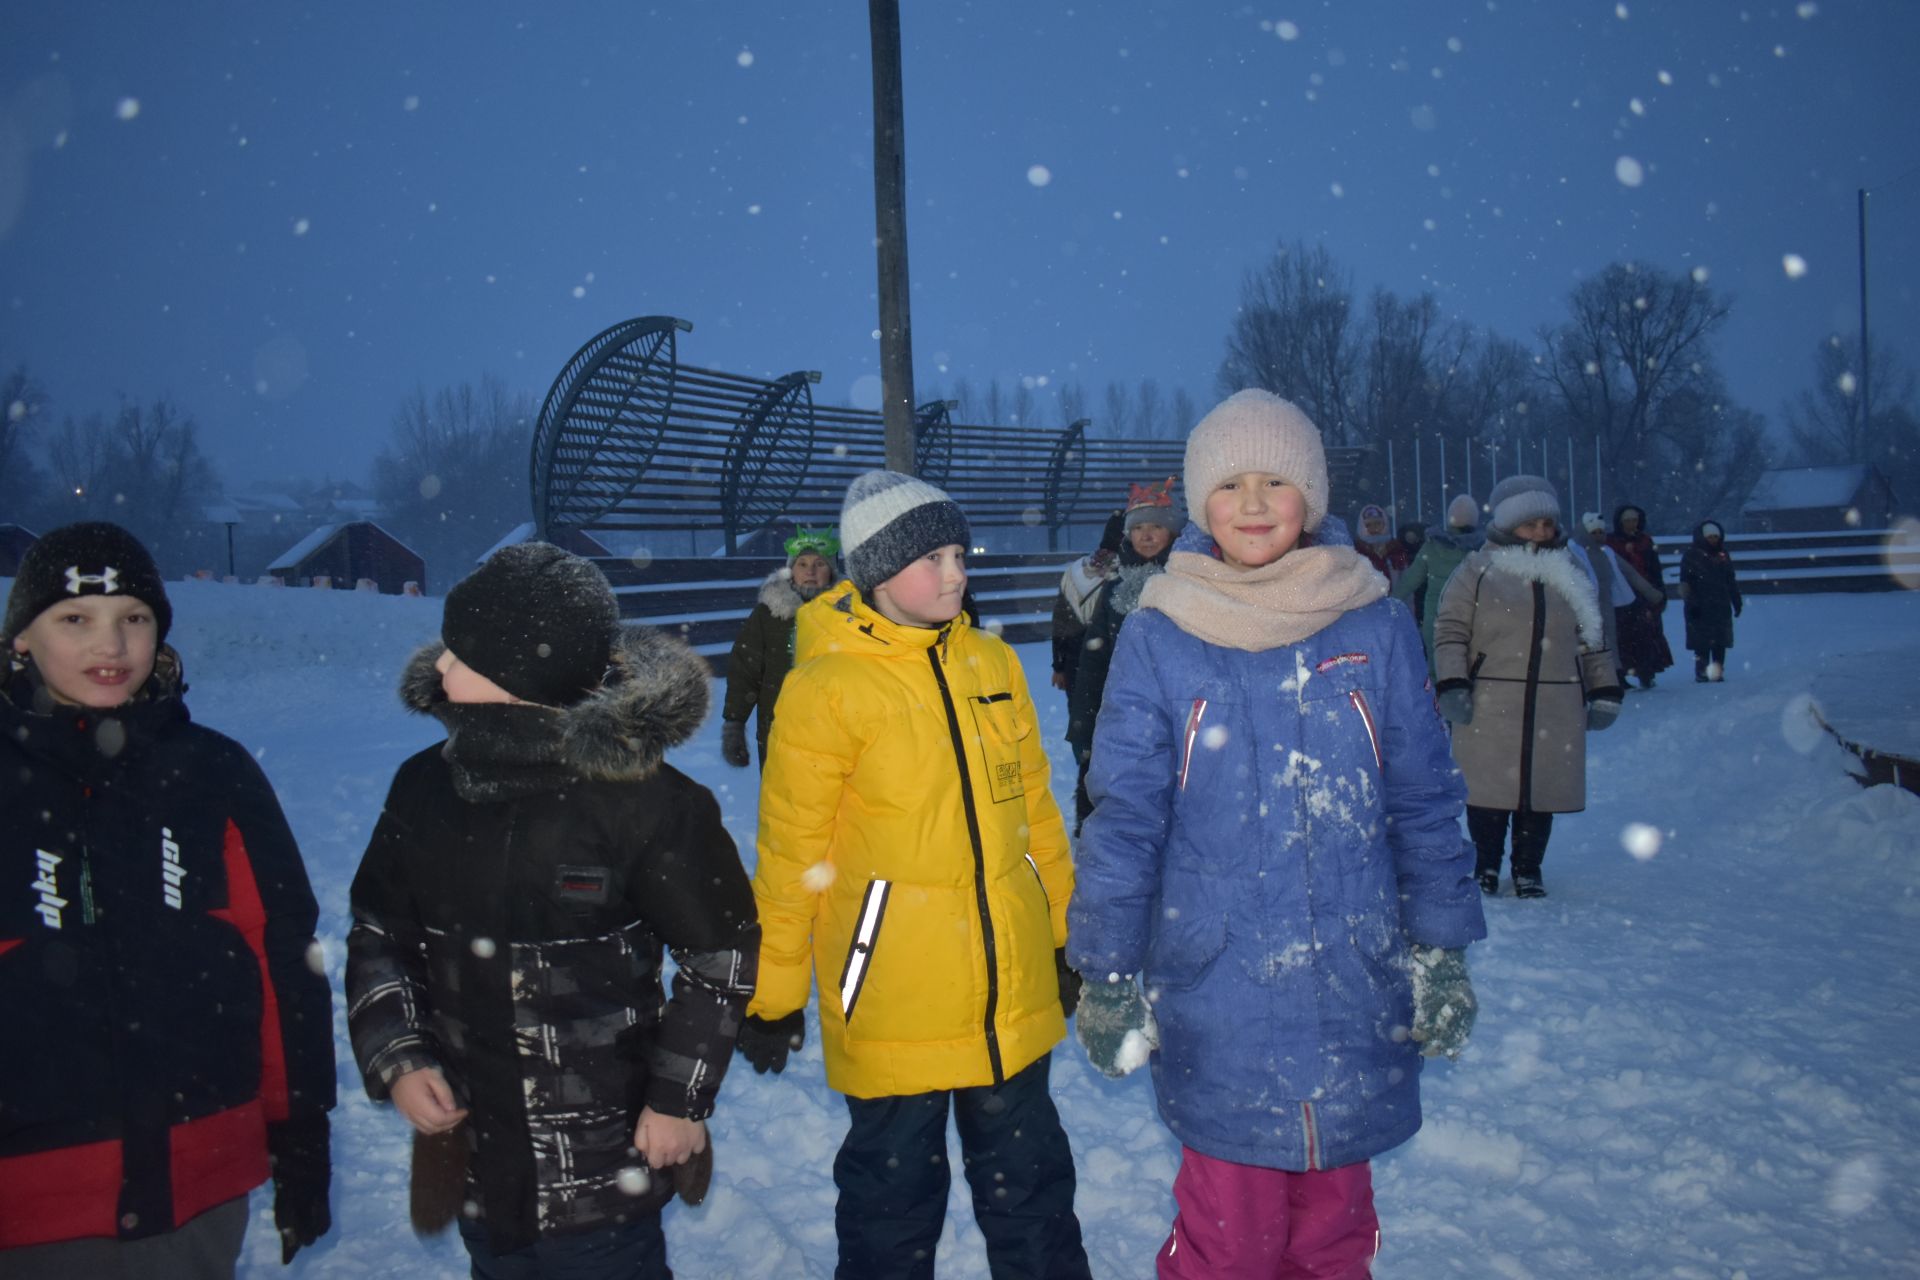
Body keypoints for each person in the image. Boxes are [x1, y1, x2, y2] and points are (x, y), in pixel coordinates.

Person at [1068, 391, 1486, 1280]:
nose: (1252, 504)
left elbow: (1422, 799)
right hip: (1220, 994)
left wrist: (1441, 949)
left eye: (1275, 481)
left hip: (1353, 983)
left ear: (1313, 496)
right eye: (1228, 484)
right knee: (1231, 1240)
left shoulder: (1373, 623)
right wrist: (1103, 971)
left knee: (1335, 1238)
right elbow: (1126, 818)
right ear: (1196, 501)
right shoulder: (1160, 634)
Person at [346, 543, 758, 1278]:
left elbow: (719, 953)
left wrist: (677, 1100)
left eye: (459, 655)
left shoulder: (646, 803)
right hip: (476, 1153)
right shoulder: (423, 789)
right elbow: (380, 932)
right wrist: (399, 1056)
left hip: (606, 1170)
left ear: (517, 677)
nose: (438, 668)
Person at [740, 470, 1091, 1280]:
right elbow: (795, 854)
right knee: (890, 1212)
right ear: (873, 570)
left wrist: (1065, 934)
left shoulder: (994, 663)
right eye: (931, 558)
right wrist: (776, 991)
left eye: (958, 553)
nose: (955, 574)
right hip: (894, 992)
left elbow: (1037, 817)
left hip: (1009, 991)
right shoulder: (826, 689)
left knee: (1034, 1196)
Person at [0, 522, 334, 1276]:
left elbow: (281, 959)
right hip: (31, 1198)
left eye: (135, 619)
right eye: (75, 620)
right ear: (21, 637)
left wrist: (300, 1130)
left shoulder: (212, 772)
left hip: (199, 1181)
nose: (109, 646)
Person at [1433, 477, 1624, 899]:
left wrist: (1604, 688)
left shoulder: (1570, 571)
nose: (1541, 531)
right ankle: (1484, 864)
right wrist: (1453, 681)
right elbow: (1450, 630)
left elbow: (1592, 635)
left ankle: (1528, 867)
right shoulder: (1478, 569)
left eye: (1547, 523)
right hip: (1489, 701)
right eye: (1530, 524)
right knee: (1488, 793)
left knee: (1539, 792)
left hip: (1556, 700)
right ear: (1507, 524)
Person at [1064, 476, 1180, 833]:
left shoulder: (1188, 583)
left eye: (1156, 527)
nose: (1146, 535)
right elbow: (1093, 658)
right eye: (1139, 527)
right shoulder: (1114, 588)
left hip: (1174, 711)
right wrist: (1084, 719)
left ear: (1172, 533)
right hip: (1121, 712)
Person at [721, 527, 840, 768]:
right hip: (779, 730)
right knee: (782, 800)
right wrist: (734, 724)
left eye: (820, 563)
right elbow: (745, 670)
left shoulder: (851, 614)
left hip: (838, 732)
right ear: (791, 570)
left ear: (832, 571)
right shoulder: (768, 615)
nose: (810, 571)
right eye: (802, 564)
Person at [1393, 493, 1482, 673]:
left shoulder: (1432, 546)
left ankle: (1437, 699)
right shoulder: (1479, 551)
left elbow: (1410, 581)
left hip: (1434, 622)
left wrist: (1389, 601)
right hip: (1467, 621)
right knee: (1463, 674)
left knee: (1435, 673)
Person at [1574, 512, 1663, 690]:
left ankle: (1616, 675)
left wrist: (1652, 593)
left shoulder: (1608, 553)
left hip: (1608, 602)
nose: (1598, 536)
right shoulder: (1574, 552)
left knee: (1612, 640)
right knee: (1590, 641)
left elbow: (1630, 573)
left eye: (1601, 532)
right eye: (1594, 533)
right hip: (1584, 604)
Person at [1050, 509, 1124, 696]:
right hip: (1113, 666)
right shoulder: (1128, 575)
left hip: (1075, 665)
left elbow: (1060, 622)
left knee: (1080, 719)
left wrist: (1059, 667)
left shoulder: (1075, 571)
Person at [1605, 504, 1674, 689]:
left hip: (1644, 593)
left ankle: (1646, 673)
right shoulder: (1611, 543)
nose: (1631, 524)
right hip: (1621, 595)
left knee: (1647, 635)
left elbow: (1654, 569)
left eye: (1634, 520)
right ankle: (1621, 675)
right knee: (1622, 637)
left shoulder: (1645, 541)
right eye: (1627, 521)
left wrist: (1658, 593)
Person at [1679, 520, 1743, 682]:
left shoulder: (1723, 555)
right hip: (1699, 605)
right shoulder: (1691, 556)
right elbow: (1686, 582)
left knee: (1720, 641)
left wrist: (1736, 600)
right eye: (1710, 536)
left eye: (1716, 536)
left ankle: (1716, 670)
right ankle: (1701, 671)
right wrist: (1692, 602)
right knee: (1701, 642)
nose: (1713, 539)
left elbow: (1730, 580)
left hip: (1720, 604)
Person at [1354, 502, 1410, 585]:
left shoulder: (1396, 547)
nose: (1374, 528)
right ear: (1361, 527)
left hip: (1393, 595)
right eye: (1368, 525)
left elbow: (1406, 578)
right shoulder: (1356, 550)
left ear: (1385, 524)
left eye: (1378, 523)